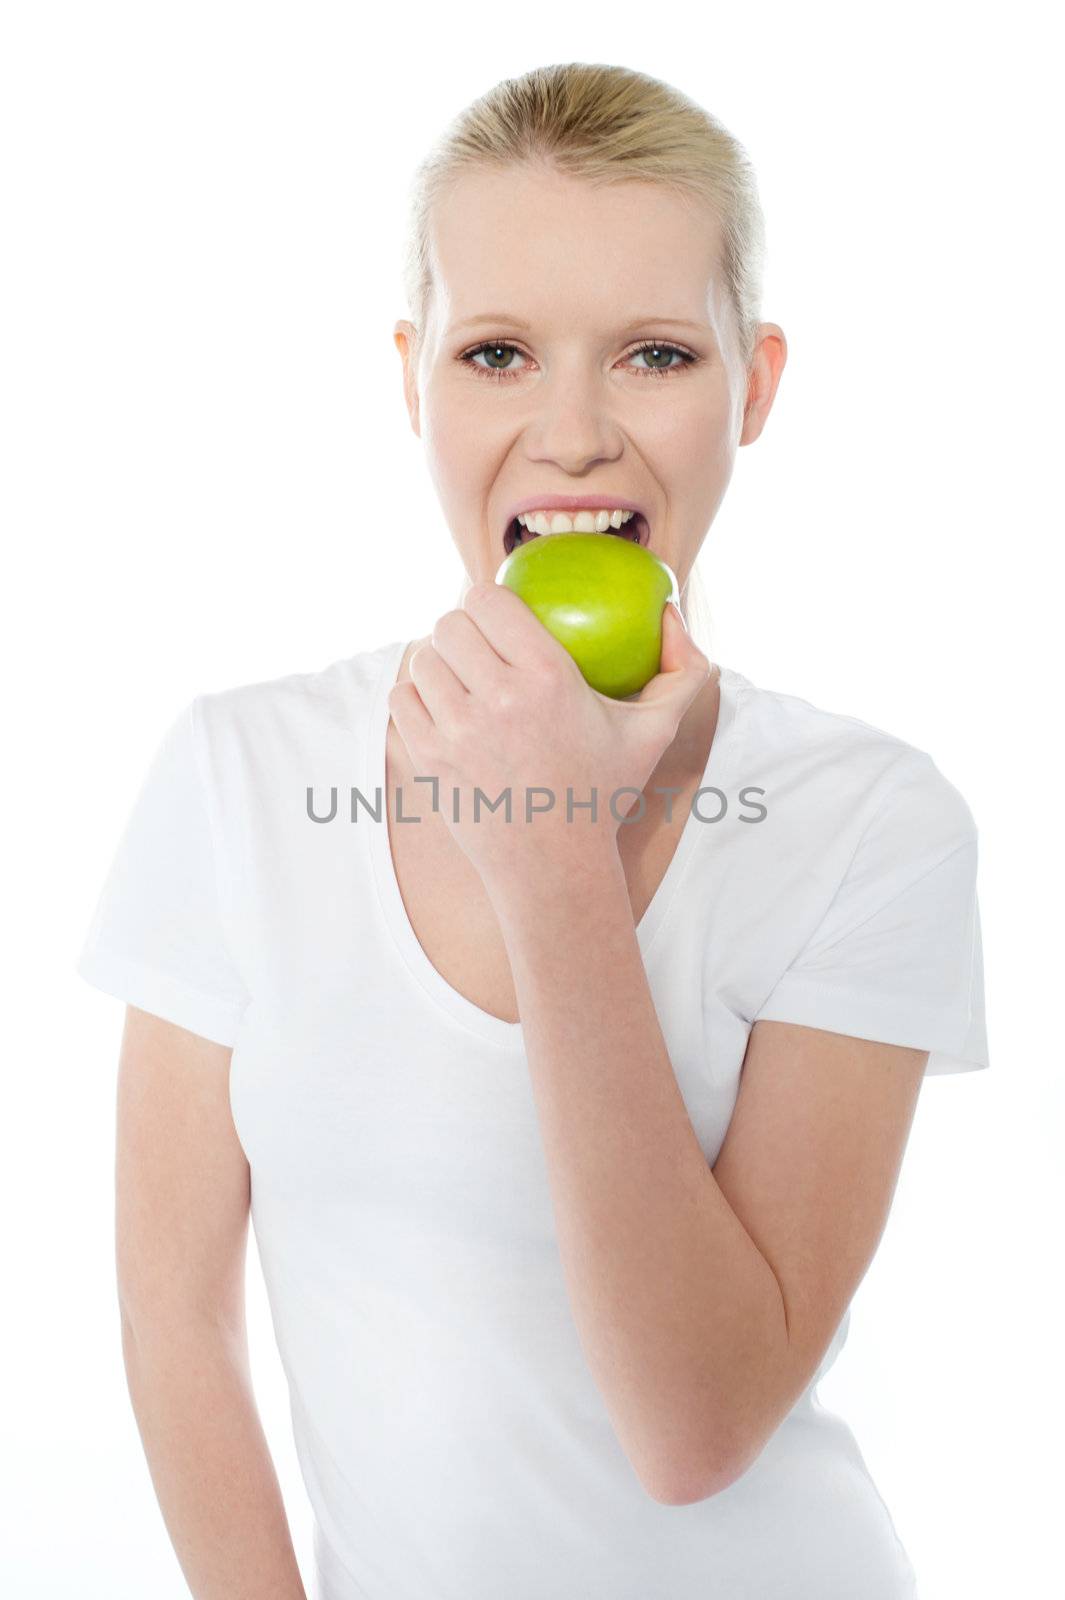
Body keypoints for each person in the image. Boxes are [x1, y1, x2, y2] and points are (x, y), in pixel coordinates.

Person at [77, 62, 988, 1600]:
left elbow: (692, 1428)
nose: (571, 435)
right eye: (495, 352)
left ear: (752, 387)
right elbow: (176, 1321)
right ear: (410, 377)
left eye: (651, 353)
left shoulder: (870, 822)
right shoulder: (240, 772)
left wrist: (554, 857)